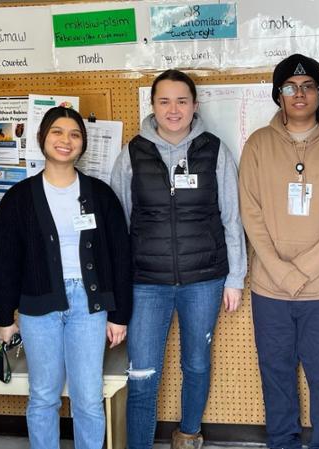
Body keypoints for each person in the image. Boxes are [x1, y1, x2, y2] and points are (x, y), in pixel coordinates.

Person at [110, 69, 246, 449]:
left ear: (195, 105)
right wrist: (116, 288)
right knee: (143, 375)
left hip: (203, 281)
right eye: (164, 101)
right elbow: (117, 225)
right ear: (152, 106)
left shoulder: (214, 151)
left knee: (197, 365)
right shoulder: (132, 153)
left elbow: (232, 218)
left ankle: (188, 435)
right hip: (145, 284)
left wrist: (235, 277)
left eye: (182, 100)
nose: (174, 109)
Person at [239, 54, 319, 449]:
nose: (299, 94)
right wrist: (280, 271)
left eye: (307, 86)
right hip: (270, 289)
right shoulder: (258, 144)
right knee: (275, 373)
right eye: (289, 87)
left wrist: (302, 269)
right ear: (278, 95)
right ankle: (283, 444)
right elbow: (250, 213)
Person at [0, 106, 131, 449]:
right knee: (43, 396)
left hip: (90, 305)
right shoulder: (19, 198)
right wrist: (3, 318)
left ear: (82, 144)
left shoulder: (100, 195)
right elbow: (6, 261)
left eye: (74, 134)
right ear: (41, 139)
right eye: (57, 132)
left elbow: (120, 257)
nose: (65, 141)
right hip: (38, 306)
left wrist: (119, 315)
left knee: (87, 397)